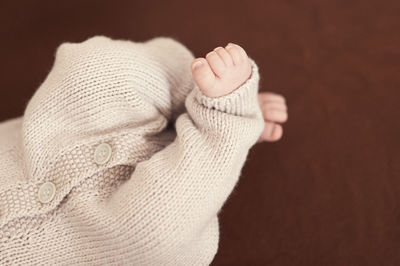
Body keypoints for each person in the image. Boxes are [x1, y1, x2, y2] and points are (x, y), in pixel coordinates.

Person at [0, 36, 287, 265]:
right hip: (87, 243)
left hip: (50, 140)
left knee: (87, 67)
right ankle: (225, 122)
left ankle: (195, 91)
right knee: (150, 235)